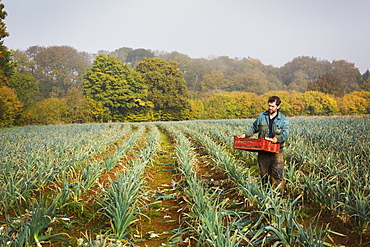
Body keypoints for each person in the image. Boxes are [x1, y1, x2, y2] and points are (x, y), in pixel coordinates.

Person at [239, 96, 289, 195]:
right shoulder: (262, 116)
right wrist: (244, 135)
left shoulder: (283, 119)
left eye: (273, 106)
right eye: (269, 106)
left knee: (277, 175)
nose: (270, 108)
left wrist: (276, 139)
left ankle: (279, 199)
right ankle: (265, 197)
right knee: (264, 175)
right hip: (263, 151)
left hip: (276, 151)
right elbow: (254, 127)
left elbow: (285, 133)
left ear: (278, 106)